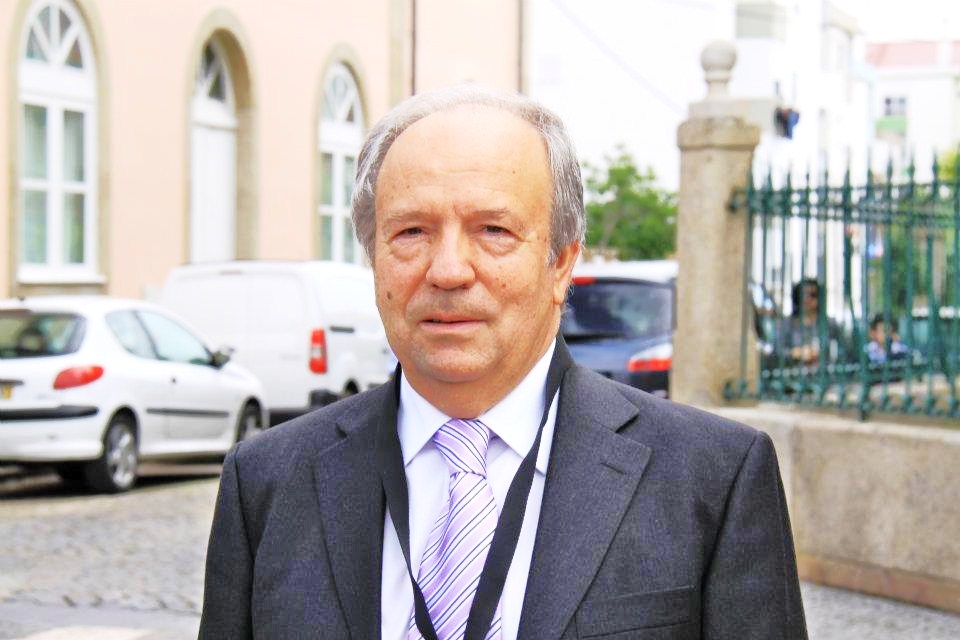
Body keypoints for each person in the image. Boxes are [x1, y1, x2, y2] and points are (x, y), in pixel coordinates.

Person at [199, 86, 807, 639]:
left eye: (493, 230)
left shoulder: (712, 480)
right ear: (374, 258)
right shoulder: (266, 483)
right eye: (411, 232)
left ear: (561, 263)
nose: (448, 271)